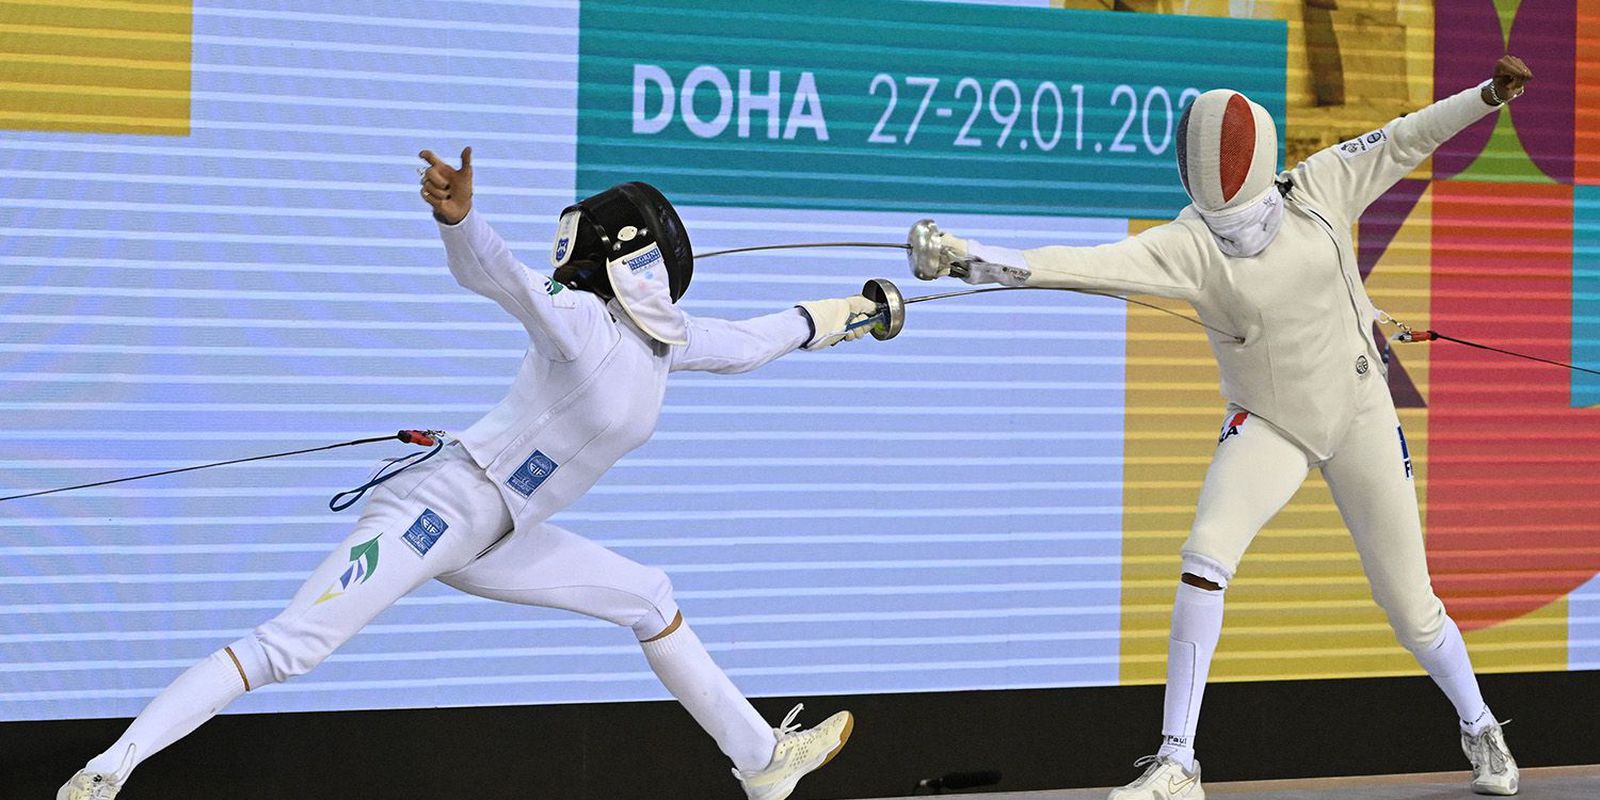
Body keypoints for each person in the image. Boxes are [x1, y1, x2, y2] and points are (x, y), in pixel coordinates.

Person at [59, 148, 879, 800]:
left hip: (502, 533)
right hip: (440, 505)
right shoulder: (579, 321)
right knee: (292, 645)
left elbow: (761, 339)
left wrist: (864, 311)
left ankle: (762, 760)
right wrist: (461, 220)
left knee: (649, 598)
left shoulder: (667, 346)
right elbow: (504, 277)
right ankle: (105, 772)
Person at [909, 56, 1534, 800]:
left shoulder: (1322, 185)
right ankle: (1178, 760)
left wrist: (1485, 96)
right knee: (1205, 555)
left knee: (1412, 610)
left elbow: (1405, 138)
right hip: (1271, 423)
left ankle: (1480, 726)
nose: (1232, 226)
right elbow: (1077, 265)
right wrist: (967, 259)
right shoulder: (1192, 243)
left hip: (1361, 412)